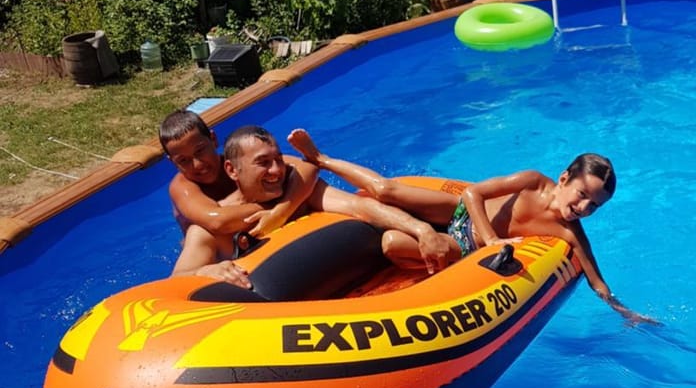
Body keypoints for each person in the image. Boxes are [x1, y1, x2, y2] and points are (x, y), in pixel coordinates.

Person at [287, 128, 656, 325]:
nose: (583, 208)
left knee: (392, 243)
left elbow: (595, 279)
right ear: (563, 178)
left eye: (595, 206)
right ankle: (320, 158)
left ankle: (420, 242)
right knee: (386, 189)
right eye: (581, 196)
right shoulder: (531, 181)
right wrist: (494, 237)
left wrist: (625, 312)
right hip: (463, 213)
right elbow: (473, 194)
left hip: (463, 247)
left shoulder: (569, 233)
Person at [172, 125, 460, 285]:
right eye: (263, 163)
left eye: (278, 160)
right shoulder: (209, 231)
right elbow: (176, 281)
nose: (276, 171)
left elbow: (363, 208)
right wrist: (205, 271)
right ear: (232, 171)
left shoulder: (299, 191)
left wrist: (422, 230)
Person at [160, 109, 314, 242]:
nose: (197, 164)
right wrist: (278, 205)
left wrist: (282, 210)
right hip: (217, 251)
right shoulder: (182, 187)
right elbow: (218, 222)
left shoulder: (238, 163)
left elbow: (306, 167)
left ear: (213, 139)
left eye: (200, 151)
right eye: (183, 160)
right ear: (172, 161)